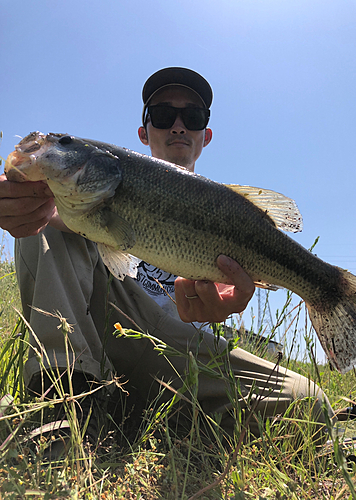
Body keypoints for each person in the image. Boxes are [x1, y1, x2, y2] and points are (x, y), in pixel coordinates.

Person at [0, 67, 333, 453]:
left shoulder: (228, 213)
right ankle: (64, 410)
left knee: (309, 405)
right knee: (43, 223)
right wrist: (20, 204)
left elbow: (225, 294)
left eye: (192, 117)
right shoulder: (76, 198)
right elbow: (46, 218)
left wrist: (224, 305)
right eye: (163, 115)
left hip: (181, 353)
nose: (178, 126)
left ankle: (146, 417)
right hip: (108, 326)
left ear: (205, 135)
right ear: (144, 131)